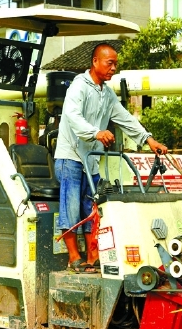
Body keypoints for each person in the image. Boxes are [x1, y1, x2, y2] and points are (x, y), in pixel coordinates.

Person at [54, 43, 168, 274]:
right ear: (95, 62)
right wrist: (96, 132)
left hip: (91, 160)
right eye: (110, 63)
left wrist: (148, 139)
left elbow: (125, 118)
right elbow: (72, 117)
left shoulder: (106, 94)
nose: (114, 68)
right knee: (71, 207)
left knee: (92, 208)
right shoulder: (79, 87)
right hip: (71, 158)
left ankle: (92, 257)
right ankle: (73, 257)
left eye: (116, 64)